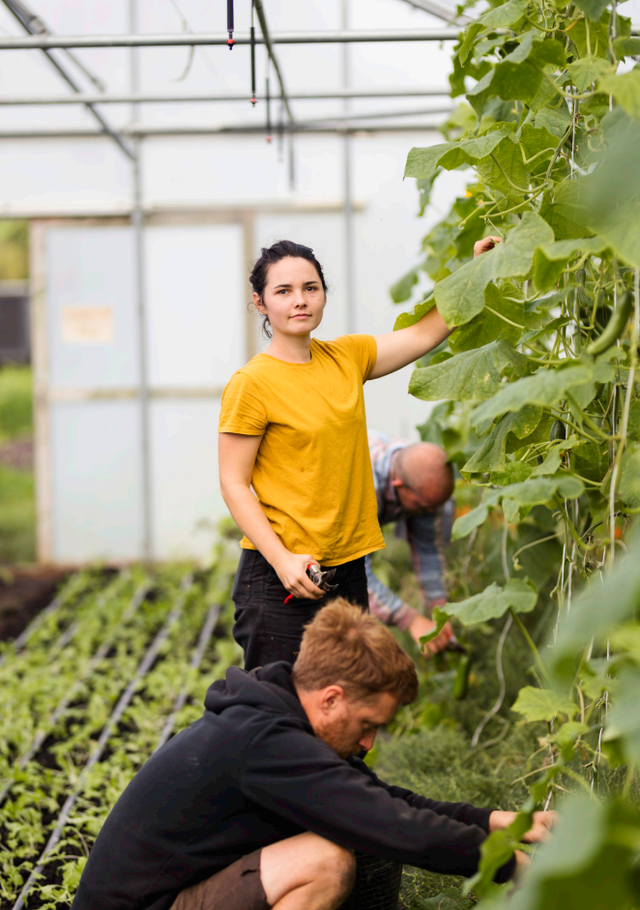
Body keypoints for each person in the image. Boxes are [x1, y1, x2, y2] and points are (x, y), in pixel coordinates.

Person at [71, 600, 553, 910]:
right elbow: (393, 825)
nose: (368, 744)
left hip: (173, 894)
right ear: (331, 698)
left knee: (344, 840)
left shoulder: (276, 718)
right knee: (324, 863)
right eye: (368, 726)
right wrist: (508, 864)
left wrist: (497, 821)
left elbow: (381, 800)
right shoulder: (265, 742)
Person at [219, 237, 501, 671]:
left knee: (346, 707)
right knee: (280, 712)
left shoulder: (347, 357)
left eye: (311, 288)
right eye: (283, 291)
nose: (300, 300)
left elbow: (425, 332)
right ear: (260, 303)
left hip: (347, 570)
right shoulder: (252, 384)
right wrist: (282, 560)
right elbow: (234, 484)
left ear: (324, 296)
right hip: (284, 574)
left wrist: (475, 270)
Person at [366, 430, 456, 654]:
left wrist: (440, 611)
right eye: (424, 508)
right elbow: (352, 568)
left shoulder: (423, 477)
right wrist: (410, 619)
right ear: (397, 484)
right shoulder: (363, 485)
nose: (430, 513)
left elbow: (428, 550)